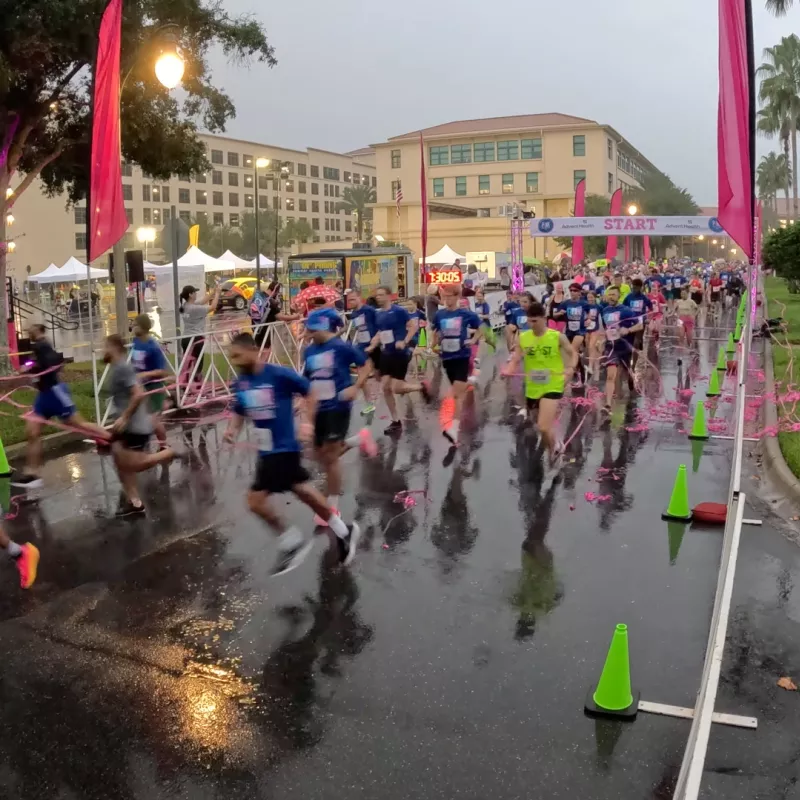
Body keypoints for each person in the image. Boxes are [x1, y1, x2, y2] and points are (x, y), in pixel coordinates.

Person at [224, 332, 361, 576]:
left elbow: (310, 393)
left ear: (254, 350)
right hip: (267, 451)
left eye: (237, 354)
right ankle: (343, 531)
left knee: (255, 501)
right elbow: (239, 410)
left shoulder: (278, 374)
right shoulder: (241, 382)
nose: (234, 360)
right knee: (303, 491)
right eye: (231, 356)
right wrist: (232, 430)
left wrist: (307, 422)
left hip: (284, 447)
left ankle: (292, 542)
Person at [303, 309, 377, 525]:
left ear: (322, 327)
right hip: (319, 408)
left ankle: (332, 508)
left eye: (311, 328)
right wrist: (303, 403)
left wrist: (356, 386)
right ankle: (359, 439)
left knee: (331, 457)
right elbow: (308, 378)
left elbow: (367, 365)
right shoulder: (308, 351)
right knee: (321, 455)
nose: (308, 331)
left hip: (338, 406)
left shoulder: (341, 347)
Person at [13, 325, 110, 489]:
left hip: (56, 393)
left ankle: (114, 439)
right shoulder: (37, 346)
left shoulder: (43, 345)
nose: (29, 331)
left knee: (80, 424)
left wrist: (31, 367)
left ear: (40, 331)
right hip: (43, 396)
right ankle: (32, 474)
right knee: (32, 432)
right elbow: (38, 363)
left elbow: (53, 362)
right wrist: (28, 367)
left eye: (33, 329)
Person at [105, 334, 180, 515]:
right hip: (126, 424)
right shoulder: (117, 368)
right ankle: (135, 502)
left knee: (131, 464)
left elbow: (138, 394)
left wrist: (125, 417)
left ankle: (167, 453)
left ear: (114, 347)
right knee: (118, 457)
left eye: (106, 346)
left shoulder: (123, 367)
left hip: (134, 426)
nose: (103, 350)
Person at [504, 302, 576, 469]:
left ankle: (554, 450)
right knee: (540, 423)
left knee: (543, 426)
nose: (531, 324)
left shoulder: (557, 336)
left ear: (544, 319)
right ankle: (555, 444)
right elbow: (515, 359)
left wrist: (571, 368)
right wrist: (508, 370)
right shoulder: (523, 338)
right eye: (529, 321)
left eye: (535, 321)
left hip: (553, 384)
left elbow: (572, 353)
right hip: (533, 386)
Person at [367, 286, 432, 435]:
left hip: (399, 354)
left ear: (389, 296)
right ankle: (395, 421)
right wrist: (373, 344)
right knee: (385, 388)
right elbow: (380, 331)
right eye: (377, 295)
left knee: (396, 388)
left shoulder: (398, 311)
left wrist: (405, 341)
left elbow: (413, 327)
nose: (379, 298)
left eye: (382, 295)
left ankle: (420, 387)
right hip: (386, 354)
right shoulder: (379, 314)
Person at [431, 286, 483, 445]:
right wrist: (434, 344)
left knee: (456, 394)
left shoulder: (466, 314)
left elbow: (483, 328)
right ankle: (470, 381)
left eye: (449, 296)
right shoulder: (439, 314)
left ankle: (454, 429)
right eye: (444, 297)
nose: (446, 300)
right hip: (447, 358)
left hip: (461, 356)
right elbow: (435, 331)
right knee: (457, 389)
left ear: (457, 296)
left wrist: (473, 341)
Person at [599, 287, 644, 411]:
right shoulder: (605, 311)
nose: (611, 297)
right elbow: (607, 328)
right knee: (610, 376)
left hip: (625, 347)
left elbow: (640, 325)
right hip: (611, 348)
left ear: (619, 296)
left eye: (614, 294)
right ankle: (608, 404)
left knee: (626, 371)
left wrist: (628, 330)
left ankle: (630, 377)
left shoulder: (626, 311)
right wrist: (603, 340)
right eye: (609, 294)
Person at [131, 313, 169, 449]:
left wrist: (144, 374)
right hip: (139, 388)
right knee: (140, 419)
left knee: (154, 420)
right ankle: (141, 448)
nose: (133, 327)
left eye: (135, 324)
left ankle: (164, 446)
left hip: (154, 388)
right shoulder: (135, 342)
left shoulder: (153, 346)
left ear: (142, 327)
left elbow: (162, 371)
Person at [180, 283, 222, 387]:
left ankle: (186, 388)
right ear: (190, 294)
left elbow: (203, 301)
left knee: (188, 365)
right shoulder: (194, 309)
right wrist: (217, 294)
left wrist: (213, 291)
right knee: (197, 366)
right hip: (196, 339)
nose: (196, 294)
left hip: (186, 338)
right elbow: (213, 307)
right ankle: (196, 390)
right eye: (195, 292)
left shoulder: (185, 306)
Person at [348, 289, 380, 414]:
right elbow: (357, 330)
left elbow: (380, 325)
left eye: (353, 299)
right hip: (362, 347)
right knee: (362, 376)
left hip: (375, 346)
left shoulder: (369, 310)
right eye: (349, 300)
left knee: (381, 377)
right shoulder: (354, 313)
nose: (350, 302)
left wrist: (375, 341)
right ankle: (370, 404)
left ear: (359, 297)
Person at [555, 282, 590, 385]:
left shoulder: (584, 304)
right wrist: (559, 313)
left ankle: (573, 372)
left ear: (579, 292)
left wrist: (588, 320)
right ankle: (581, 371)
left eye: (575, 291)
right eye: (571, 290)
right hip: (569, 331)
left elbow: (591, 315)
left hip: (581, 331)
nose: (572, 292)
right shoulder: (565, 303)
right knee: (572, 353)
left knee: (573, 350)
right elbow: (554, 315)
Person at [622, 278, 653, 365]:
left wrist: (649, 318)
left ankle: (634, 365)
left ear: (640, 288)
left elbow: (651, 308)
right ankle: (628, 361)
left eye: (636, 288)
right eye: (633, 287)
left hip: (640, 322)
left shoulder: (644, 298)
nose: (634, 289)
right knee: (629, 344)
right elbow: (623, 308)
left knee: (635, 343)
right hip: (630, 323)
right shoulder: (628, 297)